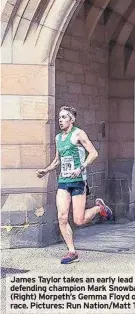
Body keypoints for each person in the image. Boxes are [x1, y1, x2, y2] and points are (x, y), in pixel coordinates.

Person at [37, 106, 113, 264]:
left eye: (64, 117)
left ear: (72, 120)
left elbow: (93, 153)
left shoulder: (78, 133)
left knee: (79, 220)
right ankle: (72, 252)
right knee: (62, 217)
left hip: (78, 181)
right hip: (64, 182)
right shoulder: (58, 138)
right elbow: (58, 160)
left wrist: (81, 167)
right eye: (59, 117)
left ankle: (100, 208)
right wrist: (46, 170)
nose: (60, 120)